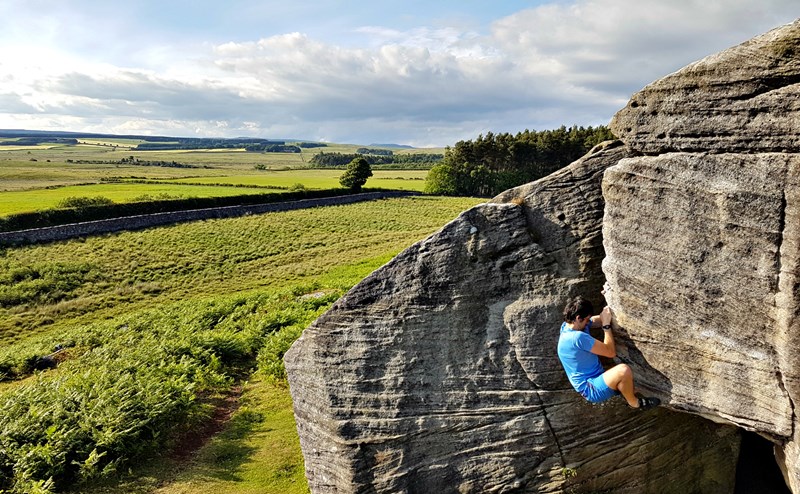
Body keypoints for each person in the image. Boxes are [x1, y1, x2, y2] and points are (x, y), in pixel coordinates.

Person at [557, 295, 660, 410]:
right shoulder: (577, 338)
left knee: (626, 383)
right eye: (586, 320)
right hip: (591, 388)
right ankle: (635, 403)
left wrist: (607, 308)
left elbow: (595, 321)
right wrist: (606, 326)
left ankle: (623, 392)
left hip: (595, 380)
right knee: (623, 370)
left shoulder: (568, 326)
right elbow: (610, 352)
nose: (588, 323)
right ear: (578, 318)